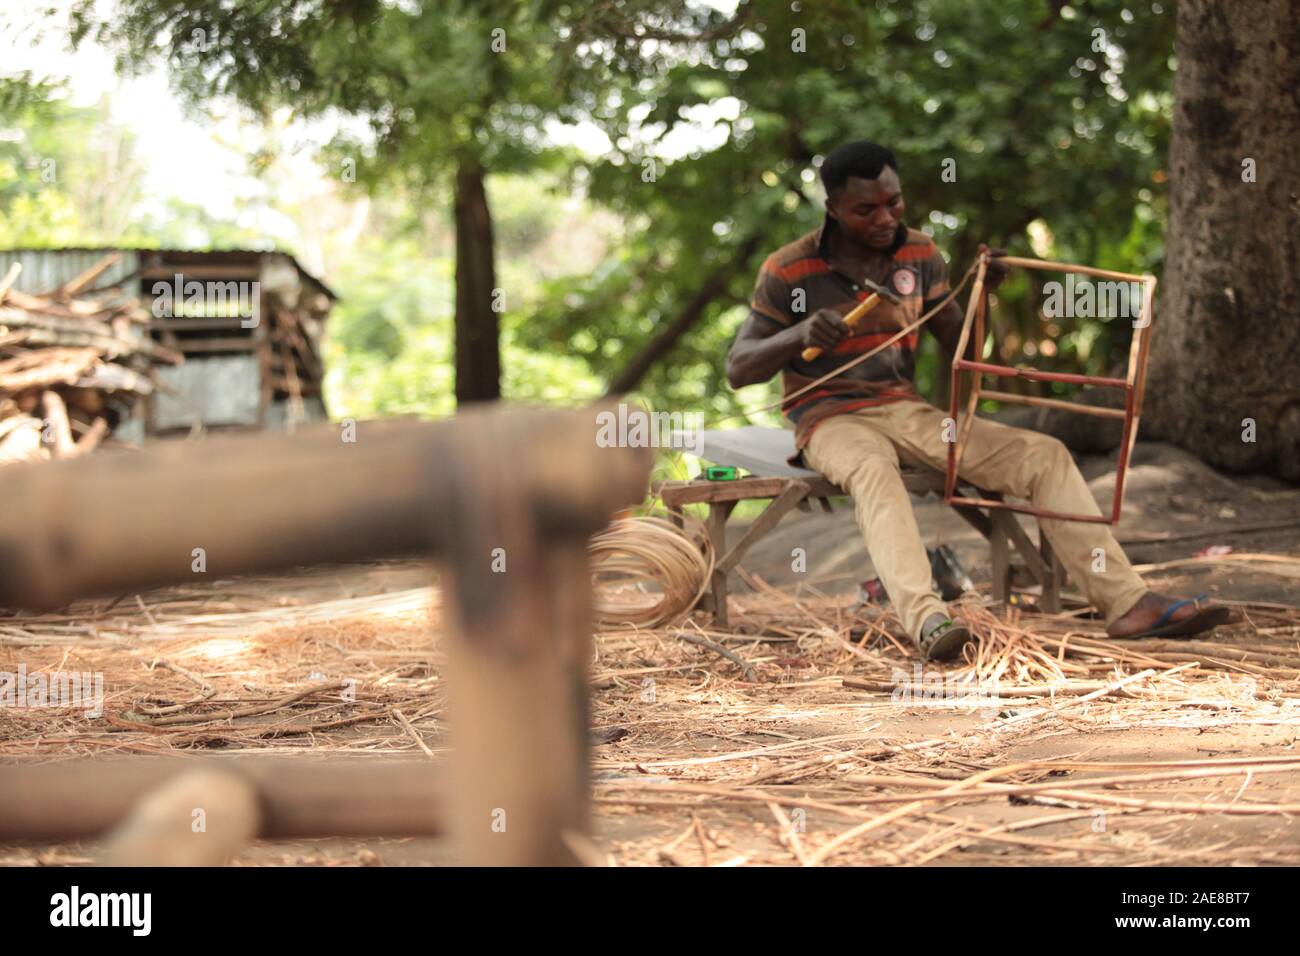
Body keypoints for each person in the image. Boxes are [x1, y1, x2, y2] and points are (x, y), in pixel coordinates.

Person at [725, 140, 1229, 661]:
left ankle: (1126, 602)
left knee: (1044, 456)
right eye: (866, 210)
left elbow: (962, 342)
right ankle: (928, 620)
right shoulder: (788, 269)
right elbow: (739, 368)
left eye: (894, 203)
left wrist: (983, 291)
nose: (885, 218)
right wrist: (800, 332)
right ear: (832, 208)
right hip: (829, 419)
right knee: (876, 472)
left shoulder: (917, 253)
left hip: (906, 409)